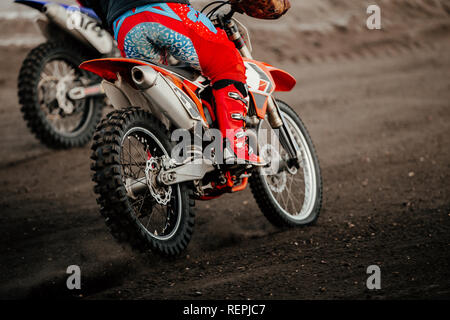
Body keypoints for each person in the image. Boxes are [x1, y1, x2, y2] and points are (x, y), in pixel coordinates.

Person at [78, 0, 264, 165]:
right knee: (227, 62)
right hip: (166, 11)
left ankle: (162, 158)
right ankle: (236, 143)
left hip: (124, 24)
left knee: (156, 96)